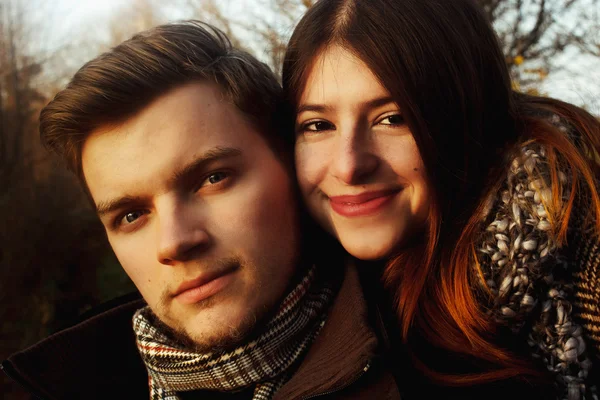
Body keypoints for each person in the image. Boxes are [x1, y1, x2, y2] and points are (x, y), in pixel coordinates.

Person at [1, 21, 401, 400]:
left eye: (212, 179)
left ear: (290, 163)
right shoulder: (43, 386)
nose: (174, 242)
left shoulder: (435, 360)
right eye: (131, 215)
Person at [282, 0, 600, 398]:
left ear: (466, 115)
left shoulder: (582, 261)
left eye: (392, 118)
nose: (349, 166)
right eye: (318, 125)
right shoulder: (285, 309)